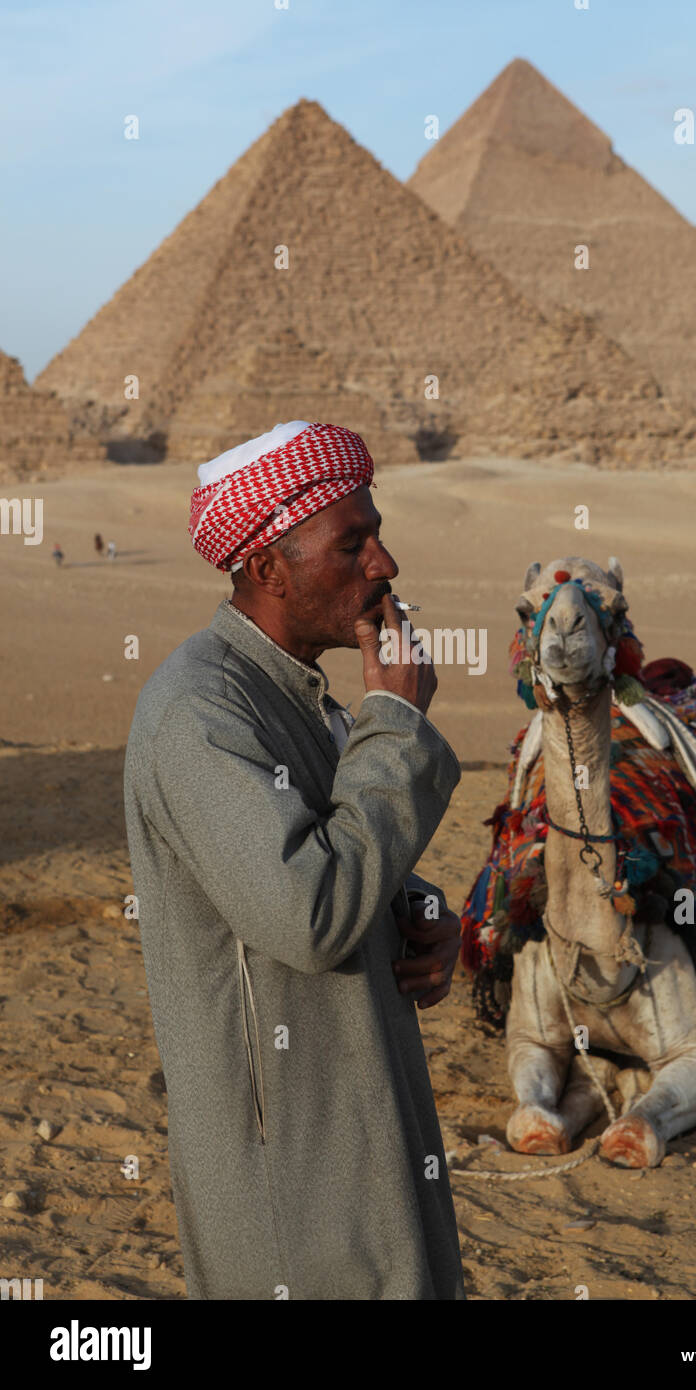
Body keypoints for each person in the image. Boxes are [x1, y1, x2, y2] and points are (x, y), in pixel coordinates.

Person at [123, 420, 466, 1300]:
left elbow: (322, 845)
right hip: (292, 1181)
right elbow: (309, 914)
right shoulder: (201, 714)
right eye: (354, 543)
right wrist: (396, 724)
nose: (385, 565)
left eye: (377, 535)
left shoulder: (302, 696)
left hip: (361, 1130)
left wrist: (413, 909)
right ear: (270, 566)